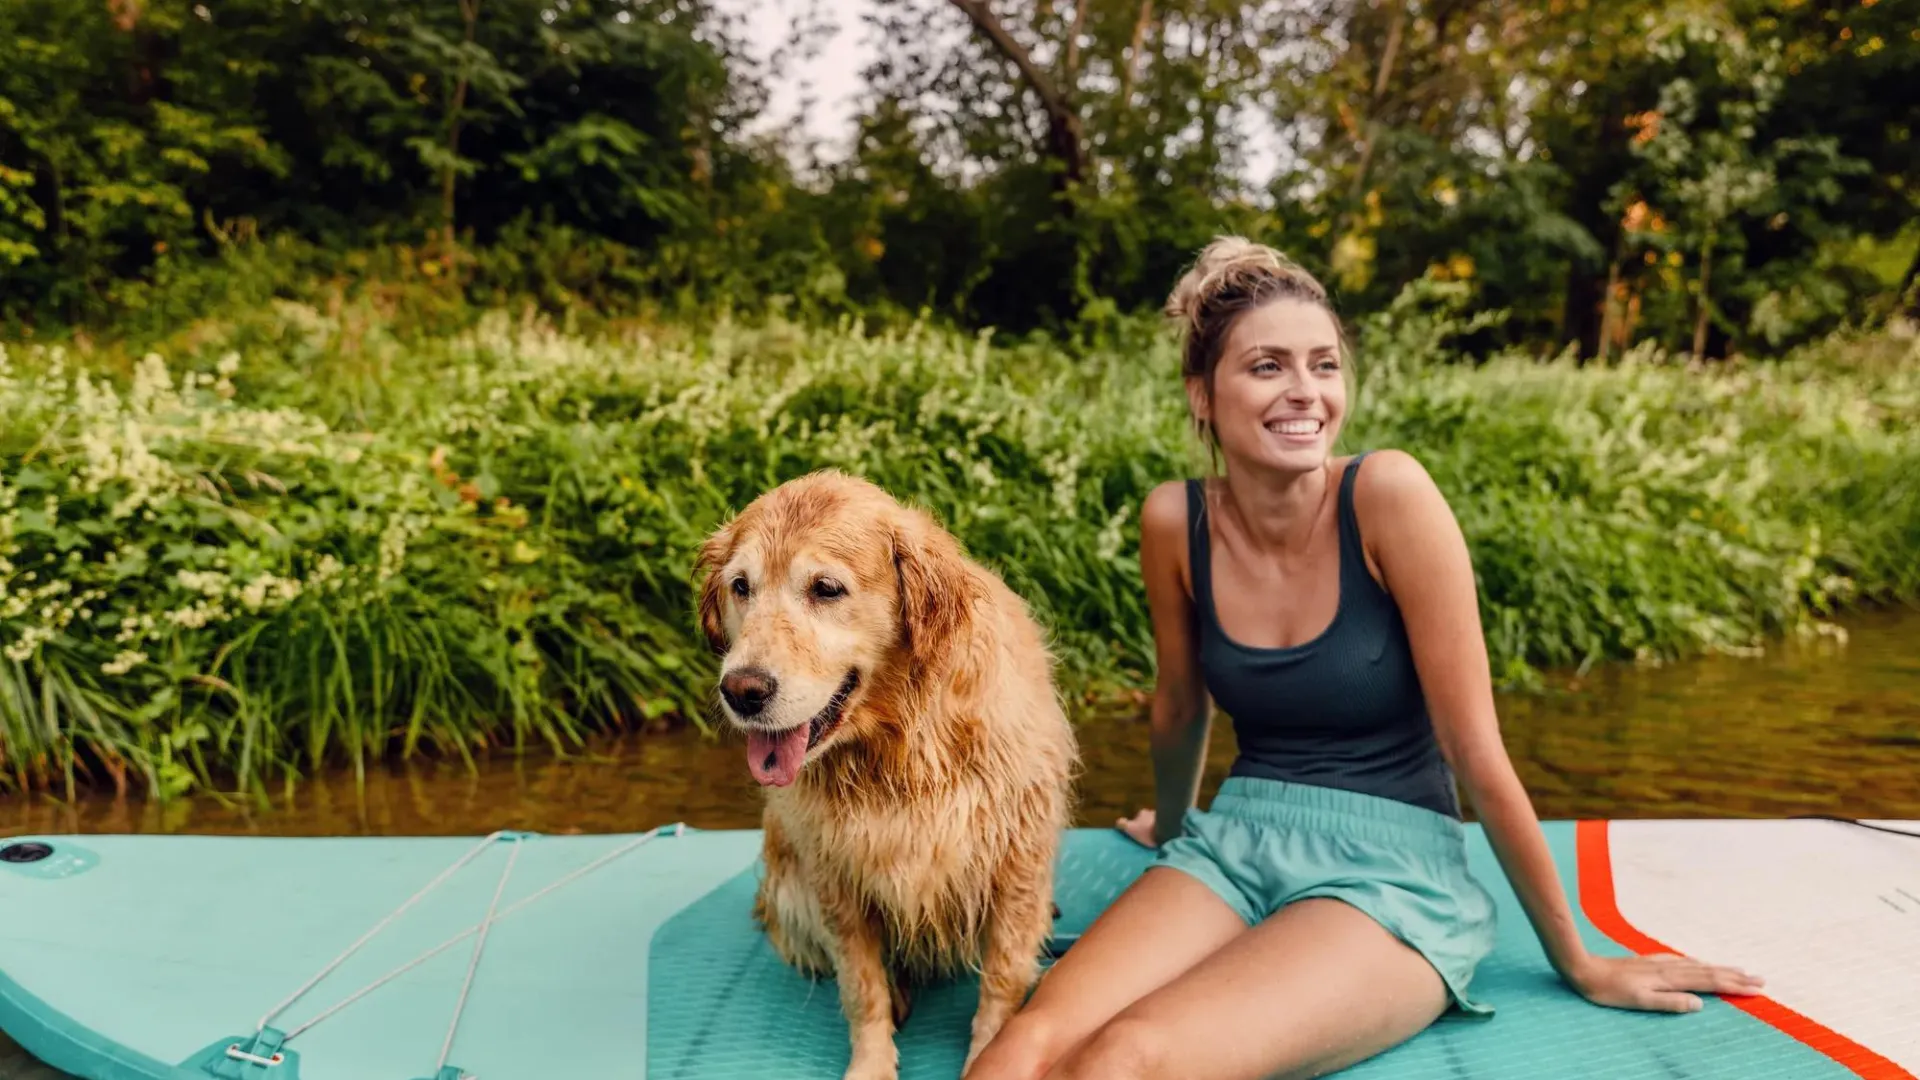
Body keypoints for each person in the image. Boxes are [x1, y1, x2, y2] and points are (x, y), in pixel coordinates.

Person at [961, 237, 1764, 1080]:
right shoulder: (1175, 520)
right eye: (1268, 367)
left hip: (1391, 868)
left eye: (1324, 365)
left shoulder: (1387, 496)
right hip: (1235, 840)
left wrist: (1581, 960)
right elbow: (1180, 706)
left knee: (1127, 1058)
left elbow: (1475, 753)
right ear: (1203, 395)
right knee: (1025, 1047)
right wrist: (1172, 823)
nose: (1306, 392)